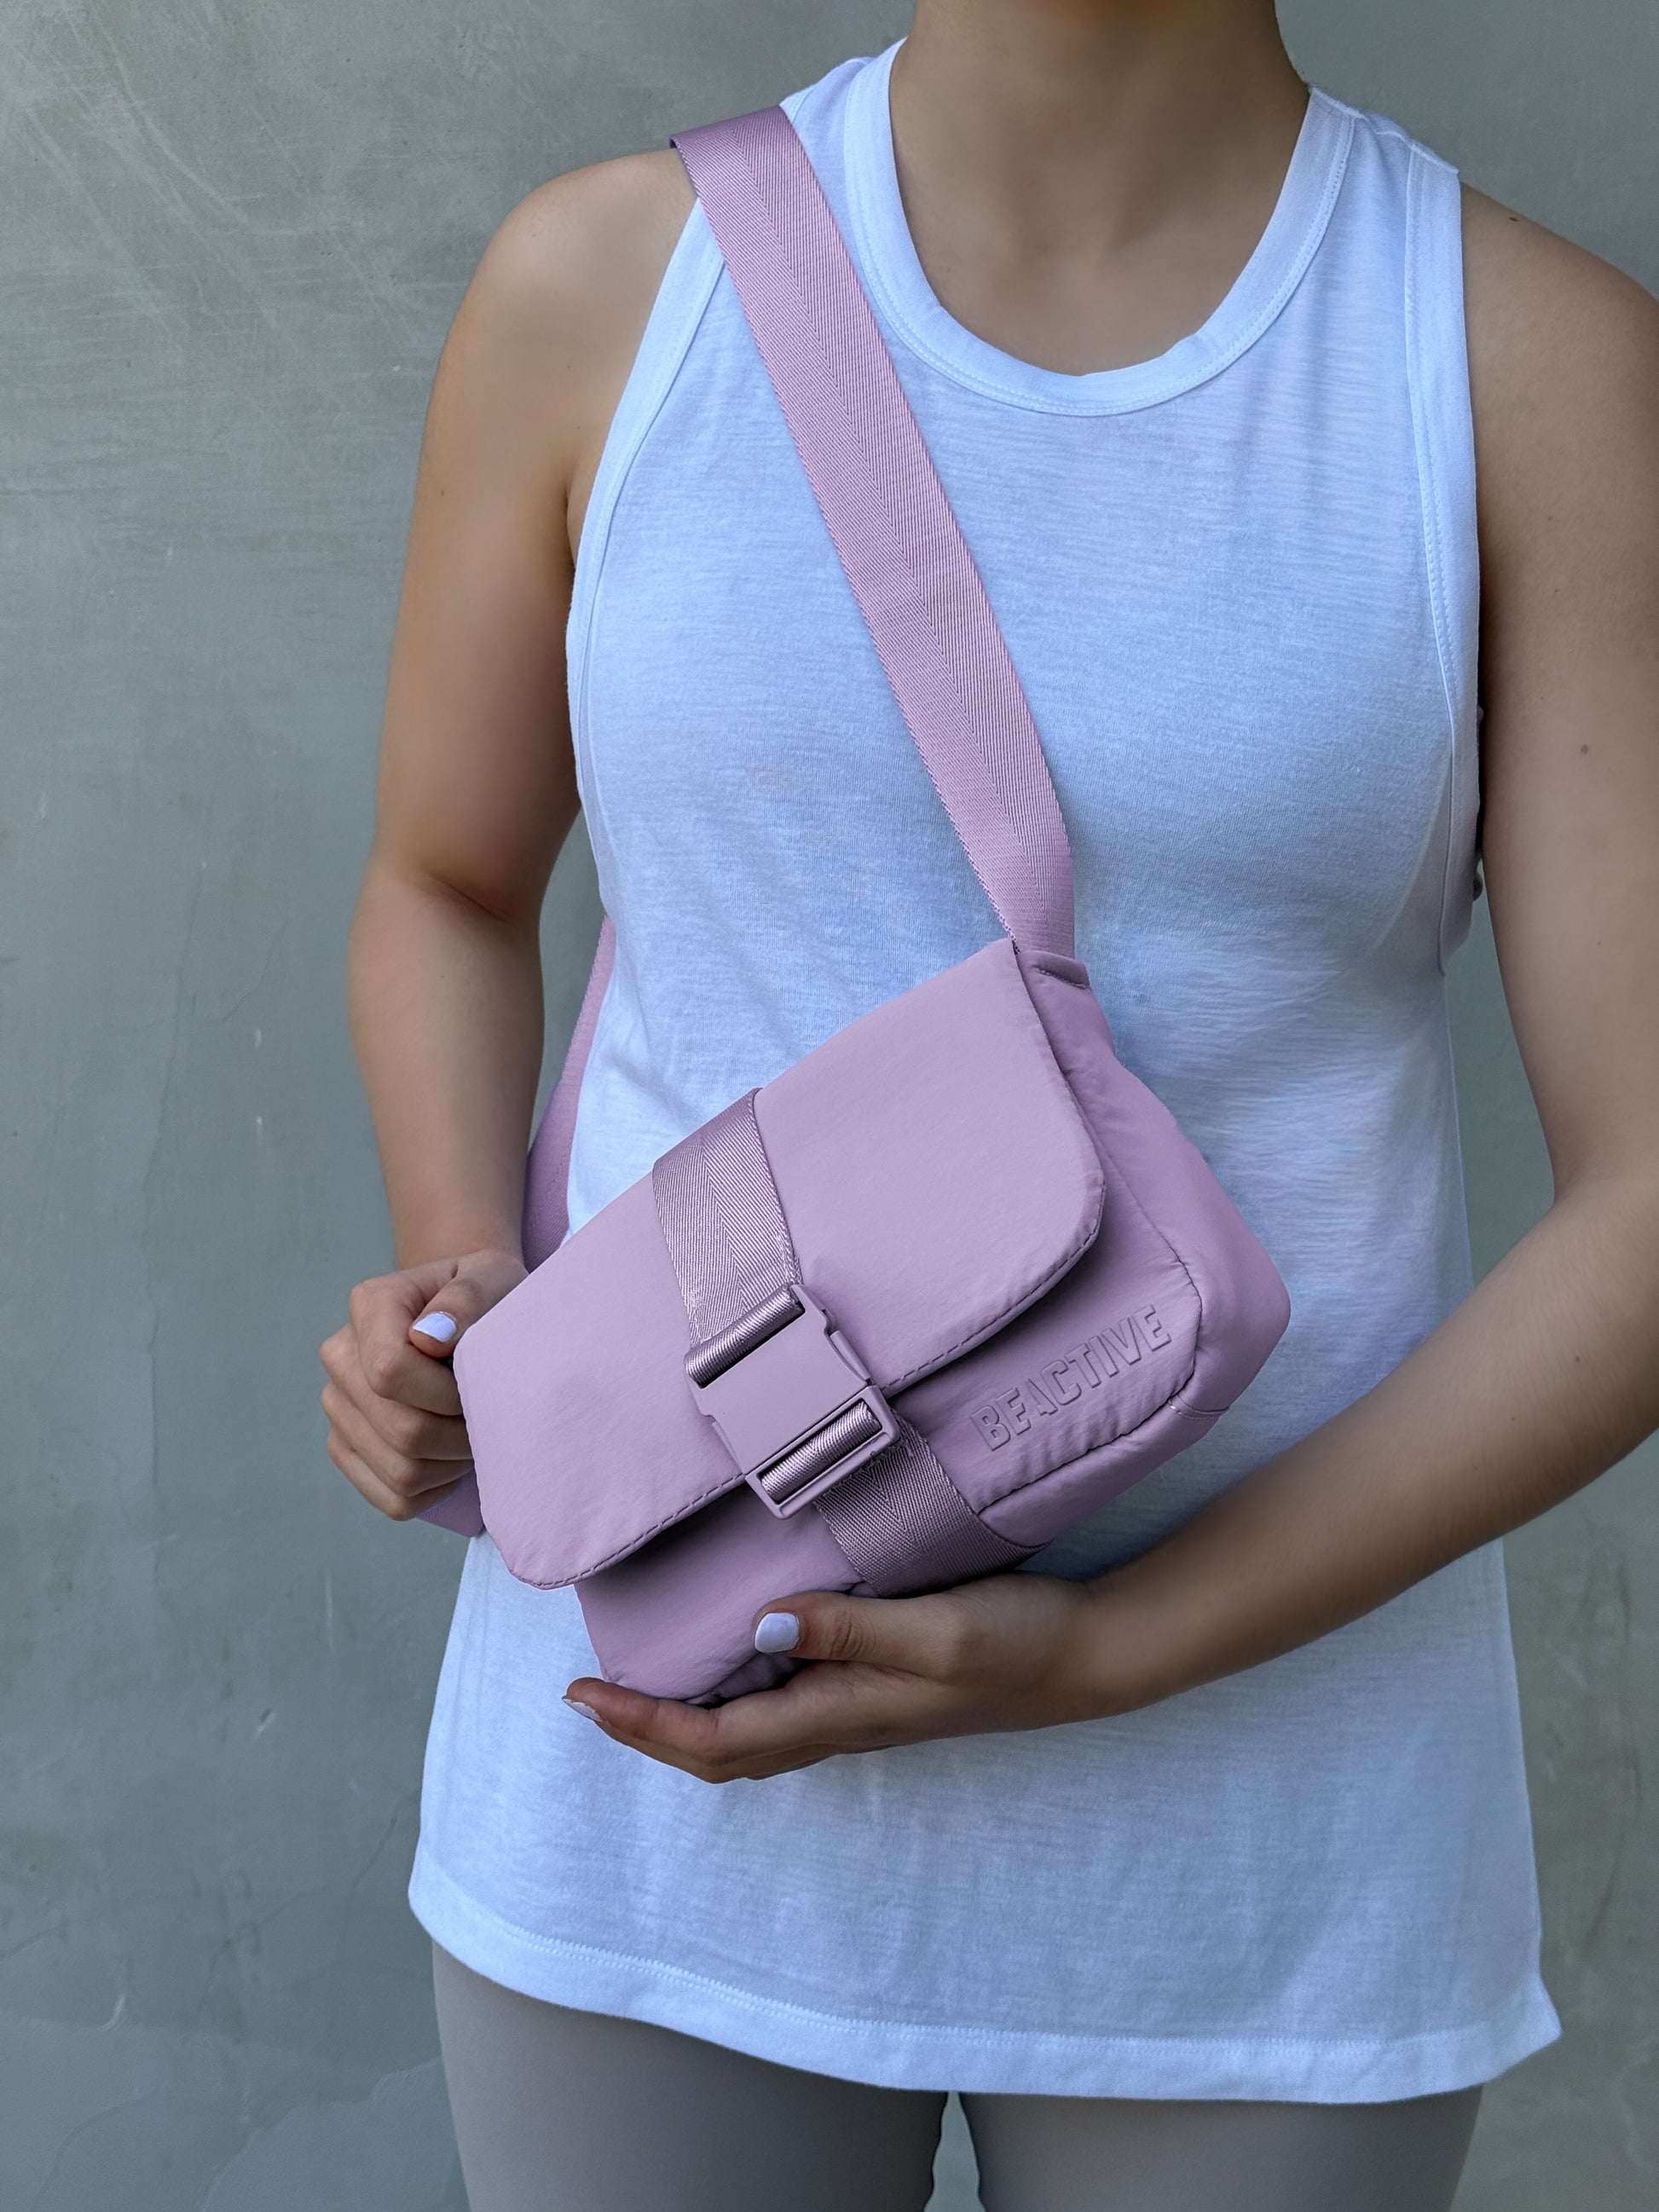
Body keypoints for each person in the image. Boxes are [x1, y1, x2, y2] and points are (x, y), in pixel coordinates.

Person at [319, 3, 1659, 2206]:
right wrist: (464, 1279)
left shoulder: (1526, 371)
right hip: (652, 1782)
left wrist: (1124, 1645)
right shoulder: (606, 286)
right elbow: (444, 884)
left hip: (1267, 1841)